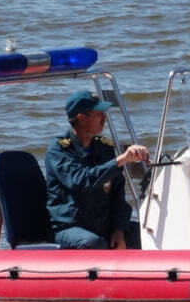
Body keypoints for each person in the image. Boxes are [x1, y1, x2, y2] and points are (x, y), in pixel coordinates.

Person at [44, 89, 150, 249]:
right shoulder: (59, 150)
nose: (105, 118)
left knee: (148, 234)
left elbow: (117, 193)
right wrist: (121, 159)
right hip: (68, 228)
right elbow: (82, 180)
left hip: (101, 225)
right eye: (99, 114)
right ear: (82, 118)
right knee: (94, 243)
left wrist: (119, 229)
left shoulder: (104, 148)